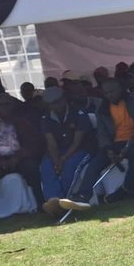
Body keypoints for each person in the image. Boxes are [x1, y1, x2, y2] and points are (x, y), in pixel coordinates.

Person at [60, 78, 134, 210]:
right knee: (95, 163)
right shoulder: (103, 108)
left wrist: (127, 147)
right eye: (106, 93)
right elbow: (102, 133)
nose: (109, 95)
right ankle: (83, 195)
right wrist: (108, 149)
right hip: (114, 144)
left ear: (120, 89)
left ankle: (128, 188)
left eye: (112, 92)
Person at [0, 92, 46, 222]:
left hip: (18, 158)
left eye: (7, 104)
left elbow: (33, 143)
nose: (4, 108)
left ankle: (41, 204)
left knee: (32, 168)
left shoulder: (22, 122)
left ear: (13, 105)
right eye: (0, 105)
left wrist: (18, 156)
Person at [38, 86, 92, 214]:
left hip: (79, 149)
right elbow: (51, 143)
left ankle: (65, 201)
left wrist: (63, 159)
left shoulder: (78, 113)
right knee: (46, 165)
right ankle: (53, 201)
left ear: (63, 99)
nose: (55, 106)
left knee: (69, 167)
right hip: (58, 152)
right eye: (51, 104)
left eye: (57, 102)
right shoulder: (45, 119)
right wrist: (57, 161)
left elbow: (77, 142)